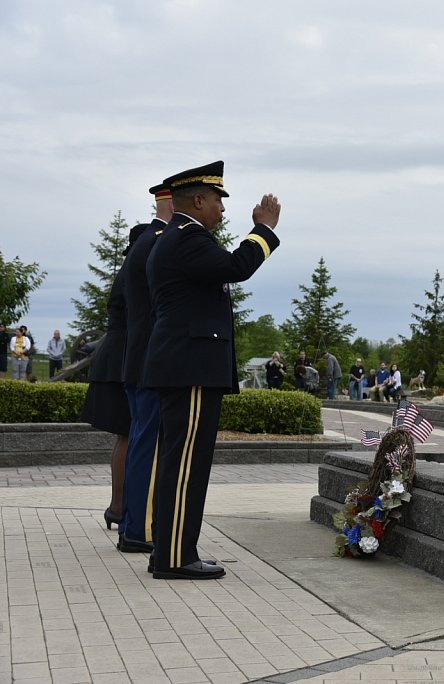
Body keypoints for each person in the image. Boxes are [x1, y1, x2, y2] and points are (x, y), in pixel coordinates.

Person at [141, 161, 281, 580]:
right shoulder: (188, 238)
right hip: (191, 368)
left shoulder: (178, 238)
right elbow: (237, 268)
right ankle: (175, 558)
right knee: (186, 465)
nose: (222, 209)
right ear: (198, 200)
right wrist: (265, 230)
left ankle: (169, 550)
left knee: (178, 463)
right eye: (218, 200)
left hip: (183, 364)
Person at [81, 225, 147, 536]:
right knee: (129, 434)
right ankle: (120, 506)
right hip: (123, 359)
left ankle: (118, 505)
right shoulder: (136, 272)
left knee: (127, 435)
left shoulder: (126, 270)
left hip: (115, 359)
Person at [121, 184, 175, 554]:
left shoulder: (147, 239)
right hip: (150, 361)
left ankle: (133, 524)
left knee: (143, 442)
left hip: (138, 358)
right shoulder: (158, 241)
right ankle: (142, 528)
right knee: (151, 447)